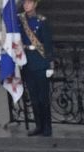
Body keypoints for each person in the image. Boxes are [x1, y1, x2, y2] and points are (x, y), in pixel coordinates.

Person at [19, 0, 56, 137]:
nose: (26, 5)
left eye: (29, 3)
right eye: (24, 3)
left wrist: (50, 63)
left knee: (43, 98)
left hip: (40, 63)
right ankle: (38, 126)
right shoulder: (20, 20)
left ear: (35, 5)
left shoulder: (42, 21)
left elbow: (47, 43)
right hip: (27, 63)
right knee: (34, 98)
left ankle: (47, 127)